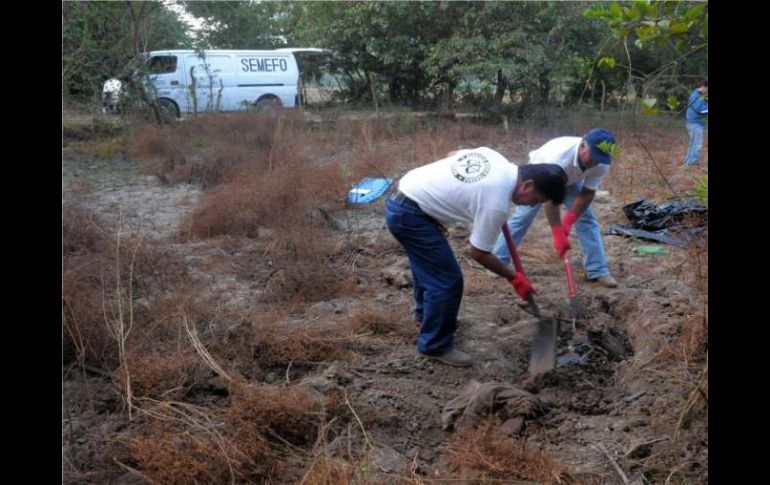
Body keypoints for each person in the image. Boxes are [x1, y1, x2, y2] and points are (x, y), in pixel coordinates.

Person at [385, 147, 567, 367]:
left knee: (428, 270)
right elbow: (478, 252)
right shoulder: (496, 203)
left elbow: (453, 153)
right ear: (527, 185)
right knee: (447, 281)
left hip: (405, 195)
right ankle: (435, 345)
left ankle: (428, 318)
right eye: (536, 199)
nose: (532, 205)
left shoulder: (497, 159)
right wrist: (514, 277)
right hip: (411, 214)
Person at [492, 128, 619, 288]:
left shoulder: (601, 163)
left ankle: (597, 269)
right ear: (583, 146)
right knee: (523, 217)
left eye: (599, 158)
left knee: (587, 218)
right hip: (540, 177)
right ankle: (498, 262)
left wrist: (569, 220)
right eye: (592, 155)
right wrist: (558, 232)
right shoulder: (559, 157)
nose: (595, 162)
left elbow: (587, 193)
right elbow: (550, 199)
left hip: (571, 179)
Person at [683, 79, 708, 166]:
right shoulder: (695, 96)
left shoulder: (700, 95)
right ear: (703, 86)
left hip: (696, 123)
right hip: (694, 123)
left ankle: (688, 161)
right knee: (697, 144)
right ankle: (693, 163)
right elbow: (700, 109)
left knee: (693, 144)